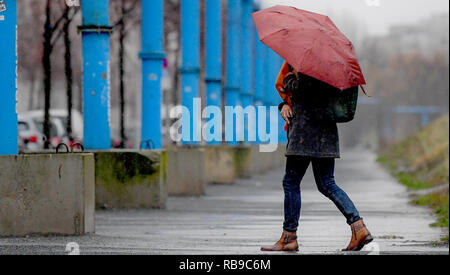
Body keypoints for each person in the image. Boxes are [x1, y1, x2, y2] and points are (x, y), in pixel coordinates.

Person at [260, 62, 373, 252]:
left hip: (306, 134)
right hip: (326, 133)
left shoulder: (309, 65)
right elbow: (305, 97)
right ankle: (358, 227)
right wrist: (284, 105)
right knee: (327, 183)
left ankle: (289, 237)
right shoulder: (333, 66)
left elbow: (303, 91)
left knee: (291, 182)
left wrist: (289, 77)